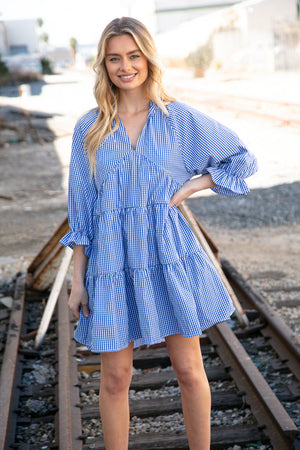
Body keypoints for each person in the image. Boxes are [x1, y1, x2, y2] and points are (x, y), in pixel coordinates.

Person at [60, 16, 258, 450]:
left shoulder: (177, 119)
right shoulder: (89, 128)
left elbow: (242, 159)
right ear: (104, 65)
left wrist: (195, 184)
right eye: (114, 58)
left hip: (169, 255)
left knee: (189, 370)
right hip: (111, 262)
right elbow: (83, 212)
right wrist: (78, 280)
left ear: (148, 58)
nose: (125, 66)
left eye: (133, 56)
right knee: (115, 377)